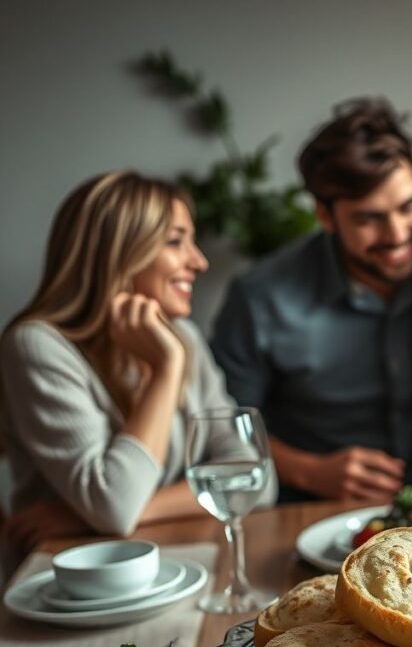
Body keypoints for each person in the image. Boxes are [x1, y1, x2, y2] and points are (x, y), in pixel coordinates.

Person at [0, 170, 271, 556]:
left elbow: (258, 479)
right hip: (70, 575)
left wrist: (100, 514)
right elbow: (115, 507)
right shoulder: (37, 346)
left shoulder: (184, 335)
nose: (199, 261)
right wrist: (167, 369)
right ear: (116, 255)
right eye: (175, 241)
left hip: (174, 556)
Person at [210, 98, 412, 504]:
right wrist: (310, 471)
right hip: (311, 509)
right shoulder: (261, 298)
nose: (397, 235)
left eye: (409, 206)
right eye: (369, 218)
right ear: (324, 215)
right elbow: (223, 428)